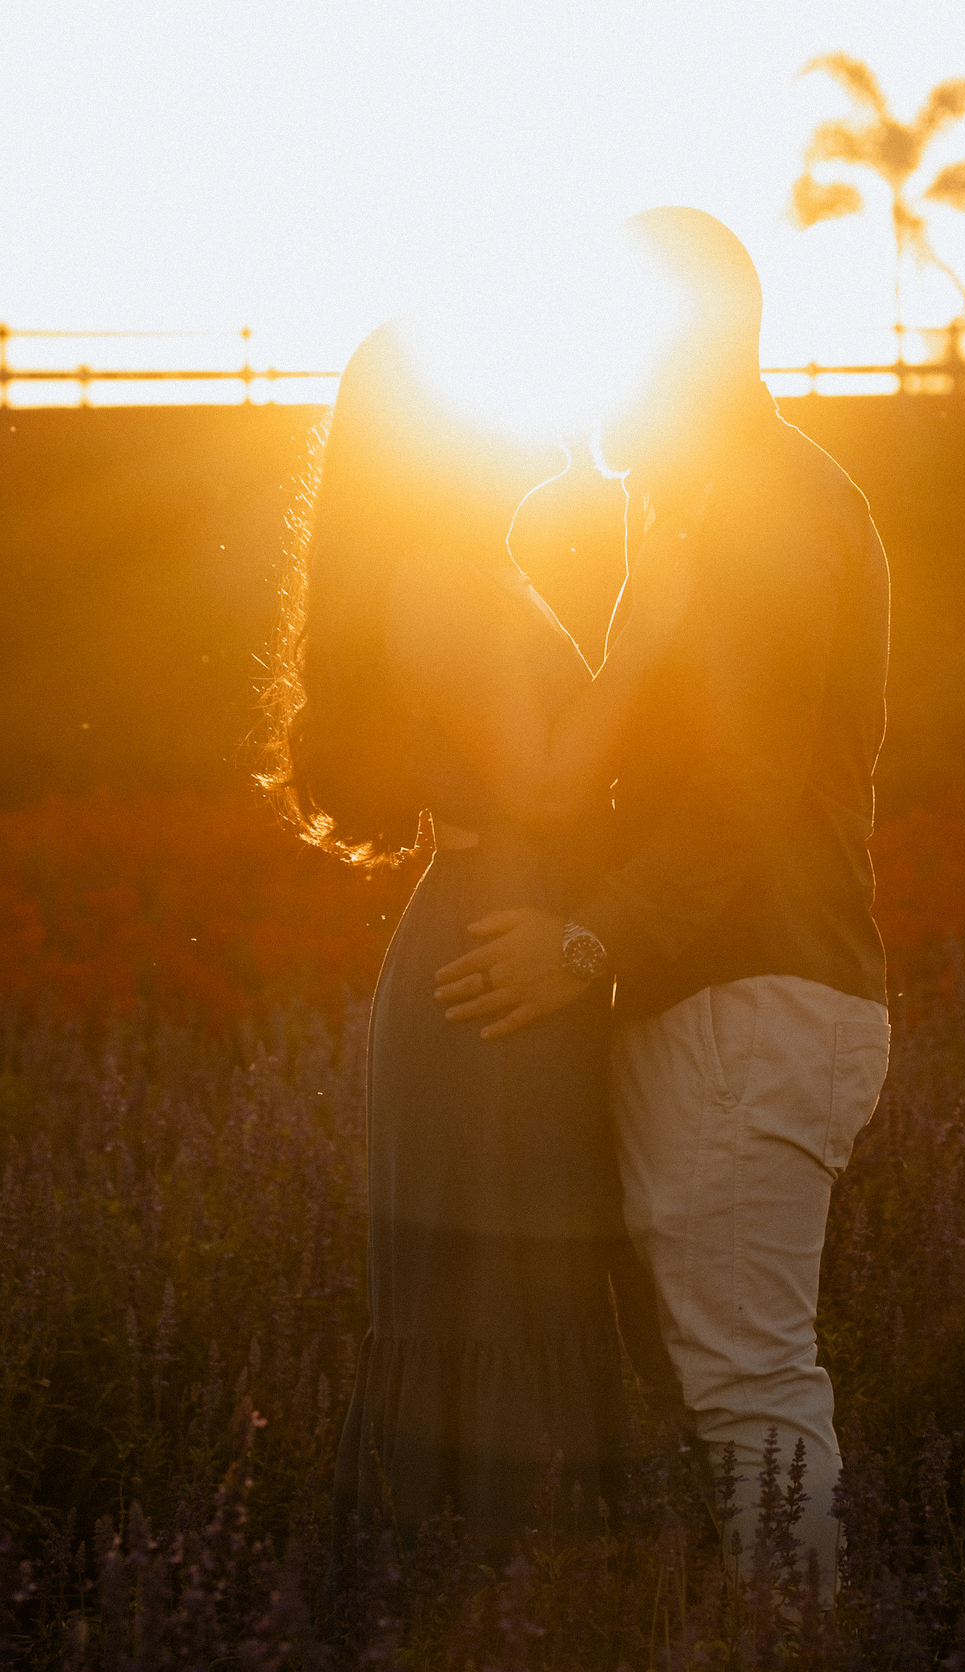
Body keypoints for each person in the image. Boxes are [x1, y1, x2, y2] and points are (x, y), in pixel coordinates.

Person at [433, 207, 892, 1605]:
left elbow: (742, 802)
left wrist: (589, 943)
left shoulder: (760, 514)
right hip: (730, 993)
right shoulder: (713, 502)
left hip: (747, 999)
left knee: (750, 1387)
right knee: (721, 1386)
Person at [260, 318, 690, 1578]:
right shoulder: (444, 580)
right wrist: (650, 631)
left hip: (512, 946)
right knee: (506, 1297)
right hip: (497, 967)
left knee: (533, 1288)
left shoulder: (465, 570)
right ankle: (499, 1608)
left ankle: (511, 1599)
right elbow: (548, 785)